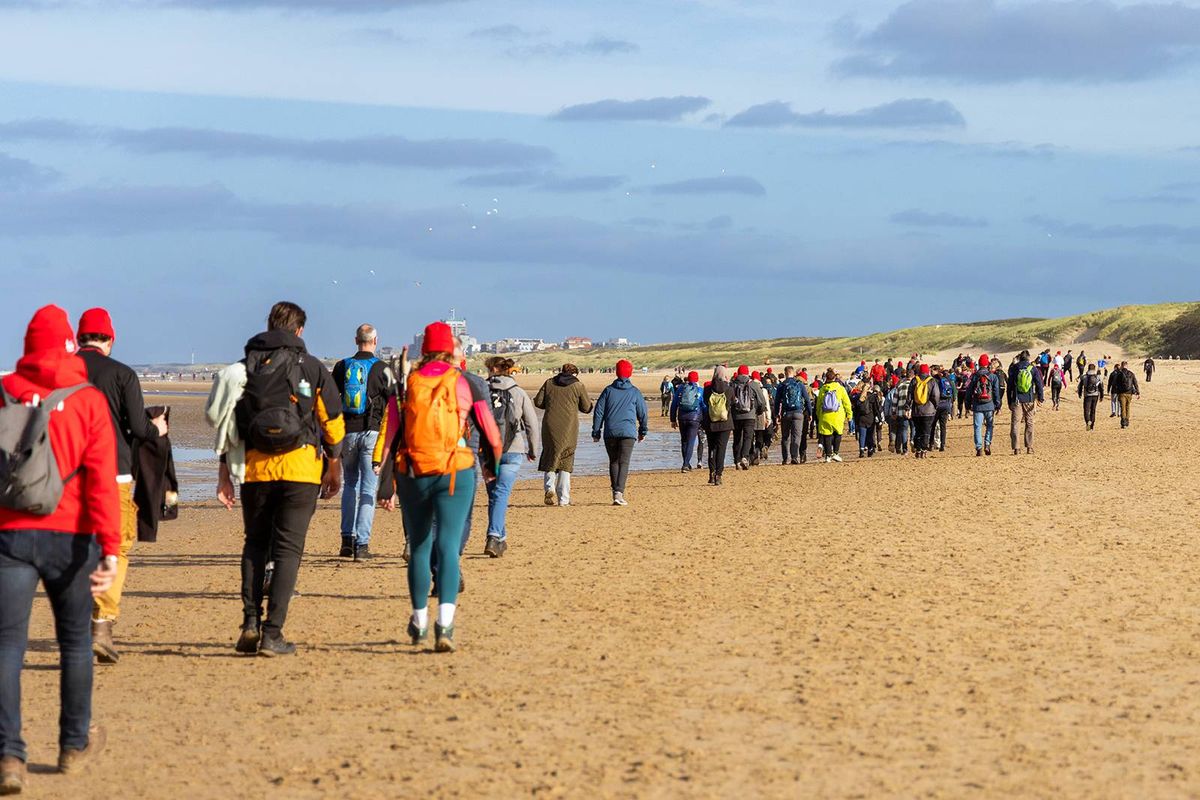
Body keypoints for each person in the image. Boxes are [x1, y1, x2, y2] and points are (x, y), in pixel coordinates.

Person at [0, 306, 120, 794]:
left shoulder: (4, 391)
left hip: (9, 535)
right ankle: (73, 744)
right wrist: (110, 548)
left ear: (28, 344)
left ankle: (9, 756)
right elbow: (101, 483)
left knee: (7, 645)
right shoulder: (88, 399)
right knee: (74, 643)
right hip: (73, 538)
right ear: (70, 344)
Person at [216, 301, 345, 657]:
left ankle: (249, 622)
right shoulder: (312, 366)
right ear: (299, 331)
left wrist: (225, 470)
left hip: (256, 469)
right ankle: (272, 634)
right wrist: (334, 464)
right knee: (288, 551)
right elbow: (332, 421)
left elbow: (230, 425)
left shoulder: (246, 368)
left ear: (270, 325)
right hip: (301, 469)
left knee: (255, 545)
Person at [378, 322, 501, 652]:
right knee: (448, 546)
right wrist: (491, 467)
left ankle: (418, 621)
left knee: (419, 547)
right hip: (456, 470)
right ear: (452, 350)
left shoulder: (406, 385)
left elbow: (390, 437)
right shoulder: (465, 383)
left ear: (423, 350)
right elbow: (490, 433)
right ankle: (445, 624)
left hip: (413, 471)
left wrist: (385, 483)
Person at [74, 308, 168, 665]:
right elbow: (139, 429)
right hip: (113, 472)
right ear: (110, 340)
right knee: (115, 547)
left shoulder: (62, 371)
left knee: (74, 549)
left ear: (79, 337)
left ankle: (75, 625)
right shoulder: (123, 374)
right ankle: (101, 623)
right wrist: (157, 428)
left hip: (67, 474)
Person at [331, 323, 392, 561]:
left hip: (347, 433)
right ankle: (362, 545)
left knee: (349, 485)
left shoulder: (341, 366)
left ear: (356, 340)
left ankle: (347, 539)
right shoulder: (383, 369)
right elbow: (393, 404)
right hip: (372, 434)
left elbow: (329, 399)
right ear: (375, 341)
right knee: (368, 488)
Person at [483, 357, 540, 558]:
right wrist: (533, 449)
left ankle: (500, 538)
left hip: (487, 452)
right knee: (501, 494)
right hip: (513, 450)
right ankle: (494, 534)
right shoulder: (518, 392)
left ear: (491, 370)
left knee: (495, 495)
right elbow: (532, 424)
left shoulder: (483, 391)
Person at [534, 364, 593, 507]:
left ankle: (549, 487)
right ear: (574, 373)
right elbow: (586, 408)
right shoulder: (578, 386)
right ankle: (563, 498)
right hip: (569, 426)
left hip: (550, 425)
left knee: (550, 454)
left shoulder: (549, 383)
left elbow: (538, 402)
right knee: (566, 459)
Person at [592, 360, 649, 506]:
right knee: (623, 462)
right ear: (629, 373)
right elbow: (643, 413)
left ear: (617, 372)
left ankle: (615, 492)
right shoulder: (634, 391)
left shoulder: (608, 390)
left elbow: (599, 412)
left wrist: (596, 431)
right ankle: (619, 493)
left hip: (610, 432)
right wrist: (643, 430)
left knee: (614, 461)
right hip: (628, 433)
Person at [1007, 350, 1044, 456]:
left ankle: (1016, 448)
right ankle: (1029, 447)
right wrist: (1040, 398)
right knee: (1029, 422)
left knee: (1015, 423)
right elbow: (1039, 384)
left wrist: (1009, 401)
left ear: (1020, 358)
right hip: (1029, 399)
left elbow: (1009, 386)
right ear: (1028, 358)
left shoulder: (1014, 368)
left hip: (1016, 399)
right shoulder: (1033, 369)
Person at [702, 367, 736, 486]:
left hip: (710, 423)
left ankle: (711, 473)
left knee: (712, 448)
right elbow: (732, 403)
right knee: (721, 449)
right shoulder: (729, 389)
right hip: (725, 424)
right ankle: (718, 475)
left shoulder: (707, 389)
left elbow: (705, 403)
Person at [773, 366, 811, 465]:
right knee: (796, 436)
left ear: (785, 373)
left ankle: (785, 458)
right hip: (798, 413)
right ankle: (794, 456)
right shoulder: (799, 384)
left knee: (785, 437)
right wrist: (809, 413)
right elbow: (807, 400)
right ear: (793, 373)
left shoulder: (782, 385)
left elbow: (777, 402)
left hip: (786, 413)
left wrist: (777, 414)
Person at [729, 366, 763, 470]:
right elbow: (761, 401)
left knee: (737, 437)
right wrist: (758, 411)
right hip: (750, 415)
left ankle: (737, 460)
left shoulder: (732, 385)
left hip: (736, 416)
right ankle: (745, 456)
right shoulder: (753, 384)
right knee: (748, 437)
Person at [966, 354, 1001, 456]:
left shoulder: (974, 376)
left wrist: (968, 405)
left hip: (977, 405)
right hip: (989, 405)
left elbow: (969, 392)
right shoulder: (993, 376)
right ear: (987, 364)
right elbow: (996, 392)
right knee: (989, 426)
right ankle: (987, 444)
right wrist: (998, 405)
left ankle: (979, 448)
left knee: (977, 427)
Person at [669, 371, 704, 472]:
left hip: (682, 417)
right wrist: (704, 418)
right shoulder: (700, 390)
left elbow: (674, 404)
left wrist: (672, 419)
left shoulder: (681, 388)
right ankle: (685, 464)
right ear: (697, 379)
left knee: (684, 441)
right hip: (694, 418)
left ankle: (686, 463)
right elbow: (703, 405)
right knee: (690, 441)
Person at [815, 368, 852, 463]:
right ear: (835, 378)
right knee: (838, 434)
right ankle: (836, 453)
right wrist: (849, 414)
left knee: (827, 435)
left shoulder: (823, 389)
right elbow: (847, 403)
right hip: (838, 415)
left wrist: (819, 415)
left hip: (825, 415)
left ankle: (828, 455)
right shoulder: (840, 388)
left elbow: (819, 404)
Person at [908, 364, 941, 459]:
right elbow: (936, 396)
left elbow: (909, 395)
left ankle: (918, 450)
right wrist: (935, 405)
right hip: (929, 411)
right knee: (926, 431)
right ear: (927, 371)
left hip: (916, 411)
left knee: (918, 430)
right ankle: (924, 450)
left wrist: (908, 407)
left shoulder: (914, 380)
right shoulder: (932, 381)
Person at [853, 378, 882, 458]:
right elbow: (876, 409)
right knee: (870, 434)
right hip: (870, 418)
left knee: (862, 435)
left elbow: (855, 408)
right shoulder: (873, 397)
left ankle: (861, 450)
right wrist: (879, 418)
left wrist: (856, 419)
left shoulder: (859, 397)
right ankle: (870, 449)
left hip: (861, 418)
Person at [1109, 360, 1141, 428]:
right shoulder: (1131, 373)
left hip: (1121, 393)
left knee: (1122, 408)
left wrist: (1116, 391)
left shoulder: (1119, 374)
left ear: (1121, 366)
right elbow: (1135, 383)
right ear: (1127, 365)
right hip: (1129, 393)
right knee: (1128, 407)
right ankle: (1127, 421)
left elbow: (1115, 384)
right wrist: (1137, 392)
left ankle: (1123, 423)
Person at [932, 367, 954, 452]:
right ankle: (943, 445)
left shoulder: (934, 381)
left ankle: (930, 444)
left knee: (933, 425)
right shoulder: (947, 380)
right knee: (943, 426)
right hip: (945, 405)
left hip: (937, 405)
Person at [1077, 363, 1104, 430]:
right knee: (1093, 410)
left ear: (1088, 368)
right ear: (1094, 369)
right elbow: (1101, 387)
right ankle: (1092, 426)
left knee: (1086, 410)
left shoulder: (1084, 377)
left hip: (1087, 395)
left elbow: (1080, 386)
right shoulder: (1097, 377)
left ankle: (1088, 421)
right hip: (1095, 395)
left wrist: (1079, 393)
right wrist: (1101, 396)